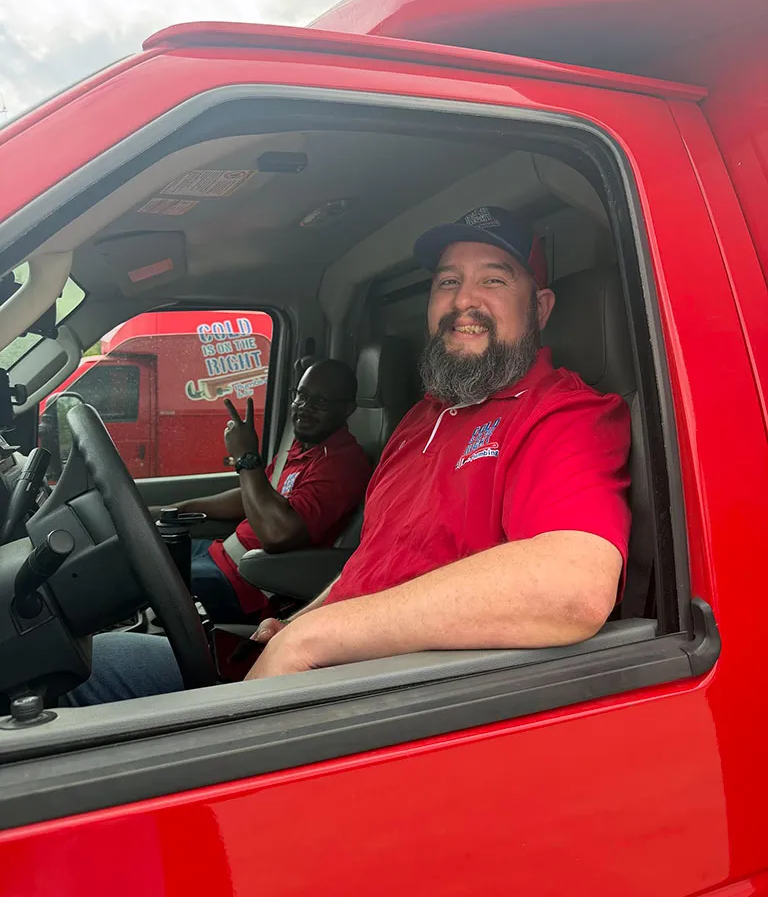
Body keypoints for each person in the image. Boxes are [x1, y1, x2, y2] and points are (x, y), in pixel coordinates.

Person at [64, 206, 631, 705]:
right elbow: (374, 562)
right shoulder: (421, 419)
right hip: (331, 670)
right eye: (447, 281)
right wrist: (302, 619)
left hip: (384, 702)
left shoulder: (561, 415)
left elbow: (574, 586)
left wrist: (314, 640)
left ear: (541, 306)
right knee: (80, 662)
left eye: (495, 280)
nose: (464, 300)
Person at [158, 358, 371, 622]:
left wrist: (246, 458)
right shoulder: (303, 446)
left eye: (321, 402)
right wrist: (184, 508)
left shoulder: (343, 465)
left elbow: (276, 534)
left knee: (149, 581)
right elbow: (255, 495)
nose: (305, 409)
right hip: (223, 555)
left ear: (348, 409)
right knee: (146, 555)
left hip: (251, 582)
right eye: (301, 396)